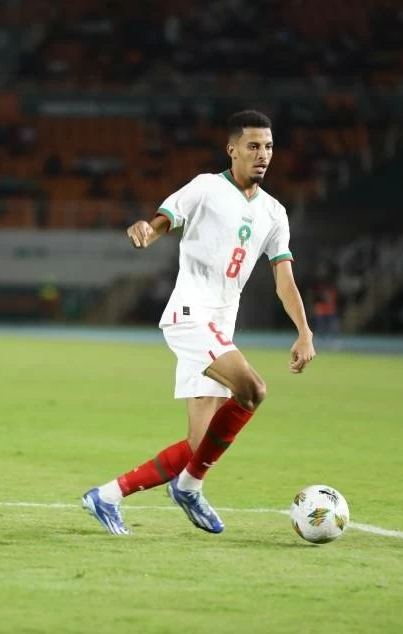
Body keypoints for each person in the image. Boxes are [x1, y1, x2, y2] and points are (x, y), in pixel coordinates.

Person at [82, 110, 316, 535]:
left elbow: (285, 279)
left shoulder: (274, 213)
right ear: (232, 150)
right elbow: (164, 220)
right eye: (253, 146)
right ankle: (188, 487)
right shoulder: (206, 187)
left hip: (220, 327)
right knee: (253, 389)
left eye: (268, 147)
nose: (262, 155)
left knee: (197, 445)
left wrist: (304, 331)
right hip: (190, 315)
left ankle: (107, 495)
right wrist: (146, 232)